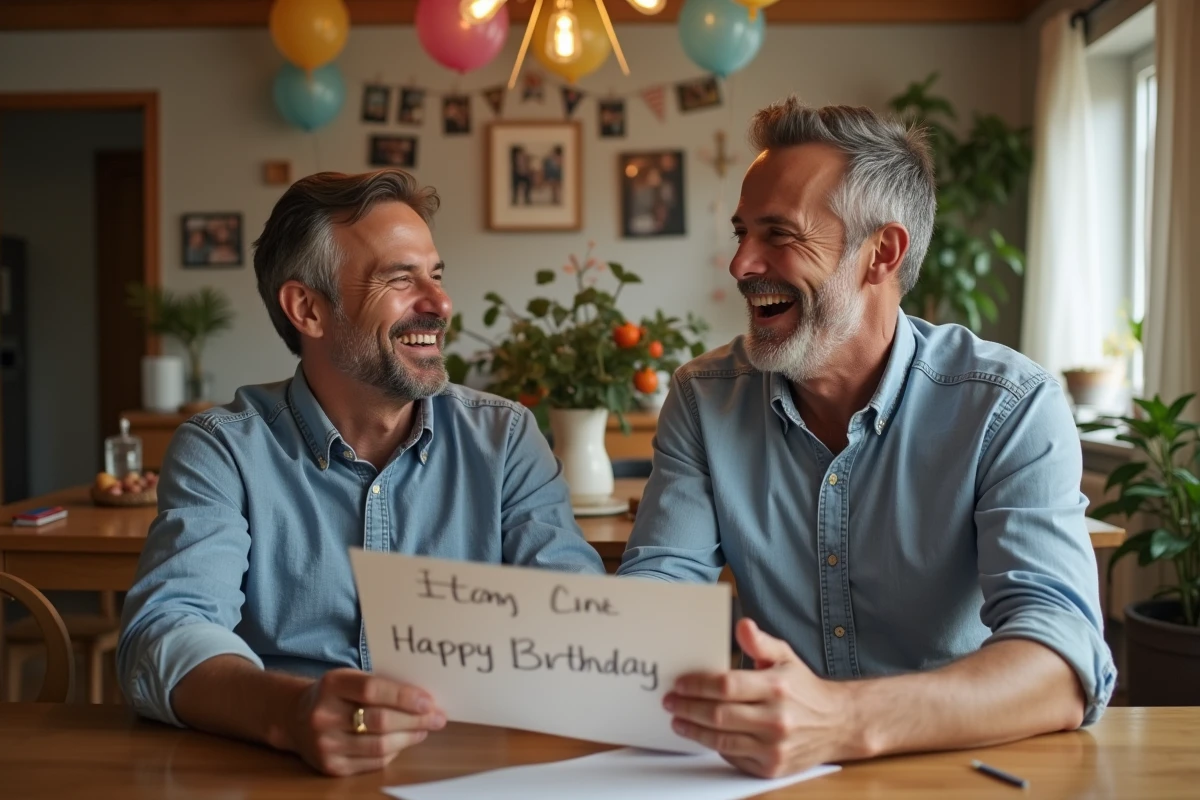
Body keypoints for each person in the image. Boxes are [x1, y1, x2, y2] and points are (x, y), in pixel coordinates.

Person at [618, 97, 1115, 778]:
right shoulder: (704, 399)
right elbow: (660, 591)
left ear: (881, 253)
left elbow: (1062, 663)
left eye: (778, 235)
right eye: (740, 233)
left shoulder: (1010, 406)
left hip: (959, 769)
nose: (739, 265)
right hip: (770, 774)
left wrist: (840, 721)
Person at [118, 169, 604, 776]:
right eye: (400, 279)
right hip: (283, 771)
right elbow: (163, 635)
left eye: (437, 274)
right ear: (308, 309)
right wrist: (292, 714)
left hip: (471, 767)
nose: (441, 304)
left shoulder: (504, 439)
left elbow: (579, 622)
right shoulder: (224, 450)